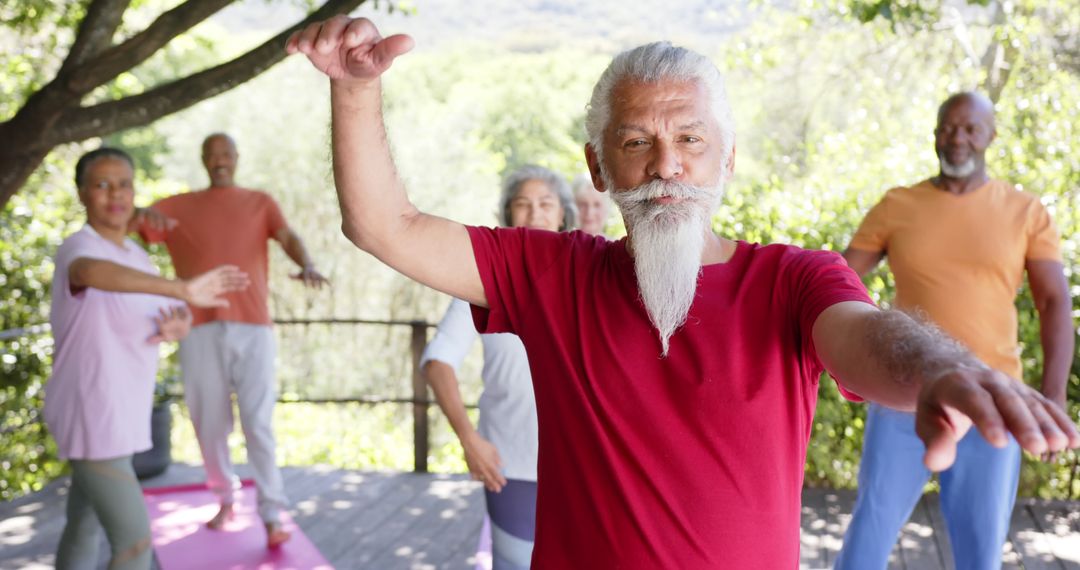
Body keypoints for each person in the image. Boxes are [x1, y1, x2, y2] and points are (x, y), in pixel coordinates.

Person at [287, 18, 1079, 568]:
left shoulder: (792, 279)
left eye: (691, 141)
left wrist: (938, 371)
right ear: (599, 170)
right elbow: (385, 225)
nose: (667, 167)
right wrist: (355, 91)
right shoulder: (552, 273)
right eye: (636, 144)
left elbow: (867, 336)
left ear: (726, 160)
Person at [834, 92, 1074, 570]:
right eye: (948, 127)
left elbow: (1053, 301)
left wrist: (1052, 394)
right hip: (903, 394)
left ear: (991, 135)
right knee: (871, 529)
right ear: (934, 132)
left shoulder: (1025, 211)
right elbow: (837, 282)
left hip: (994, 398)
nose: (957, 138)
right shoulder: (897, 205)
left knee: (980, 549)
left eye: (970, 128)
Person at [46, 147, 249, 569]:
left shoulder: (137, 258)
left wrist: (176, 326)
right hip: (93, 416)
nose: (114, 194)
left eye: (123, 184)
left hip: (122, 416)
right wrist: (181, 288)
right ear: (82, 193)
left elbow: (159, 318)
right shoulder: (77, 248)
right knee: (135, 546)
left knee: (82, 526)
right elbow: (88, 274)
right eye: (102, 185)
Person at [138, 133, 329, 547]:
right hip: (198, 327)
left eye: (226, 154)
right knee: (209, 423)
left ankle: (273, 513)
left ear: (236, 159)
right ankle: (225, 498)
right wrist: (141, 215)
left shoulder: (260, 201)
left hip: (253, 326)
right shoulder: (176, 206)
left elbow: (288, 236)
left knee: (258, 422)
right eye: (212, 154)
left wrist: (308, 263)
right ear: (203, 160)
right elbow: (132, 225)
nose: (219, 160)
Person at [421, 164, 576, 570]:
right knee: (516, 563)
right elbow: (438, 361)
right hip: (512, 464)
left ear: (563, 213)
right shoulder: (481, 284)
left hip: (584, 464)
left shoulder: (589, 277)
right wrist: (469, 439)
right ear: (508, 215)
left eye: (545, 203)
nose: (535, 213)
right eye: (522, 204)